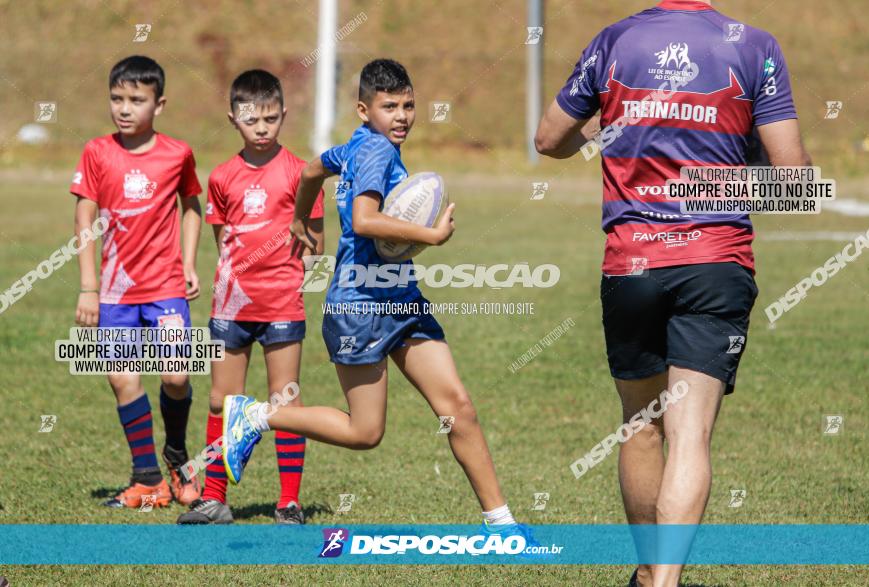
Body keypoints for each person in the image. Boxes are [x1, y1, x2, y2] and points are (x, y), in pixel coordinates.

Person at [534, 1, 811, 585]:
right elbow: (794, 183)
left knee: (640, 423)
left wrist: (611, 127)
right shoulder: (753, 44)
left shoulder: (614, 40)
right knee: (691, 435)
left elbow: (549, 139)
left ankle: (645, 574)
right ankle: (665, 581)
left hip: (632, 262)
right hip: (716, 263)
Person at [223, 59, 530, 535]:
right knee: (365, 432)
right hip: (359, 306)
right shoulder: (377, 153)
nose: (402, 116)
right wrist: (429, 235)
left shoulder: (355, 145)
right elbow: (365, 220)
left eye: (408, 105)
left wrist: (299, 220)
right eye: (389, 107)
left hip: (399, 299)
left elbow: (307, 172)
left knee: (458, 406)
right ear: (365, 109)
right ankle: (257, 415)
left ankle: (503, 526)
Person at [176, 70, 325, 525]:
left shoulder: (302, 172)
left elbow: (316, 241)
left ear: (284, 115)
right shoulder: (221, 176)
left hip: (282, 303)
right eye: (251, 120)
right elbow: (224, 241)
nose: (262, 128)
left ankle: (289, 503)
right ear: (232, 120)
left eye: (271, 118)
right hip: (231, 307)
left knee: (285, 403)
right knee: (222, 401)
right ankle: (215, 498)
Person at [71, 55, 204, 508]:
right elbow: (84, 214)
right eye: (116, 98)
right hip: (115, 292)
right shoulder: (97, 151)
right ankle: (147, 478)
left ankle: (177, 454)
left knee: (176, 375)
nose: (124, 108)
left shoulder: (178, 153)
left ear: (159, 104)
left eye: (136, 100)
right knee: (123, 379)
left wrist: (188, 263)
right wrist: (89, 286)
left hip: (166, 287)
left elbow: (192, 206)